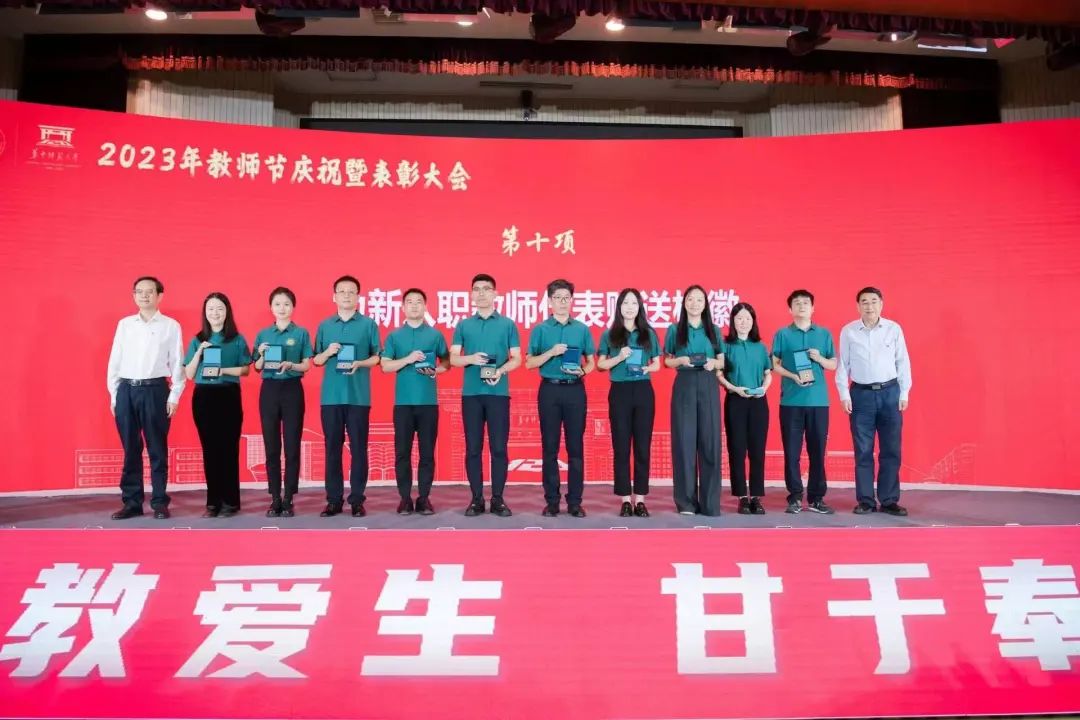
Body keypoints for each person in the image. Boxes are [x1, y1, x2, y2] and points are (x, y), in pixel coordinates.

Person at [106, 276, 186, 520]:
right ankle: (132, 502)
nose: (144, 296)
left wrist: (174, 395)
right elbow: (115, 360)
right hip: (126, 390)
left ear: (159, 296)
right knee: (130, 449)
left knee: (157, 449)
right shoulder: (125, 325)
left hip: (155, 390)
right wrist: (115, 395)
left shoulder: (170, 326)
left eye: (149, 291)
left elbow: (178, 363)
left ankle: (160, 502)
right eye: (139, 291)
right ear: (134, 295)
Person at [450, 273, 522, 517]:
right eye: (477, 289)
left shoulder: (507, 324)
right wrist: (470, 358)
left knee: (499, 448)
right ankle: (477, 499)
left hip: (498, 393)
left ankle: (498, 499)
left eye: (486, 289)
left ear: (495, 294)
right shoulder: (463, 325)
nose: (481, 293)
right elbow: (453, 358)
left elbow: (517, 358)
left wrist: (500, 371)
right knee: (473, 448)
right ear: (471, 294)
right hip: (471, 394)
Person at [836, 286, 912, 516]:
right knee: (863, 450)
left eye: (873, 301)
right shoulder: (849, 331)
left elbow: (903, 361)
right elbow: (843, 365)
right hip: (861, 395)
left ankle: (889, 500)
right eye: (864, 302)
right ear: (858, 306)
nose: (869, 306)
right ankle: (866, 500)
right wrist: (844, 394)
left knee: (891, 449)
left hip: (890, 393)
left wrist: (904, 392)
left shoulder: (893, 329)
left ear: (881, 304)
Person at [526, 279, 597, 518]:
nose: (562, 302)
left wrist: (583, 371)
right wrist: (551, 352)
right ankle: (552, 501)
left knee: (576, 447)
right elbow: (529, 362)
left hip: (575, 390)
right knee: (550, 447)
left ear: (572, 300)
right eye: (557, 298)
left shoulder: (582, 329)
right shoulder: (541, 330)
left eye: (566, 297)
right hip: (550, 390)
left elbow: (592, 361)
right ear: (550, 301)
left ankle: (575, 501)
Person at [312, 275, 381, 518]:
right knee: (332, 449)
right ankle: (333, 500)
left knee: (359, 449)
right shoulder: (325, 326)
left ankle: (357, 500)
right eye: (342, 291)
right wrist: (328, 352)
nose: (347, 295)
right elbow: (316, 360)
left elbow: (377, 357)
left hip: (358, 397)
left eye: (351, 292)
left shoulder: (368, 325)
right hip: (331, 398)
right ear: (334, 296)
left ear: (358, 297)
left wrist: (359, 363)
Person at [381, 288, 450, 516]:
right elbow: (385, 366)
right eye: (409, 302)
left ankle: (424, 498)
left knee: (427, 453)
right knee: (402, 452)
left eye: (419, 302)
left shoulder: (435, 335)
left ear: (425, 307)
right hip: (403, 404)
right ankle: (404, 498)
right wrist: (408, 359)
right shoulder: (394, 336)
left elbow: (447, 362)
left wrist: (436, 371)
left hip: (428, 403)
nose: (414, 306)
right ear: (403, 307)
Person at [183, 292, 252, 518]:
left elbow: (245, 369)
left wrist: (223, 370)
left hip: (228, 395)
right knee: (210, 450)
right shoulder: (198, 340)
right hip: (204, 397)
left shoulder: (237, 339)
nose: (215, 313)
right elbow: (189, 374)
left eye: (220, 308)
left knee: (229, 449)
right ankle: (213, 502)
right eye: (211, 309)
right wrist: (199, 352)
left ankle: (230, 501)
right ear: (205, 313)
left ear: (227, 312)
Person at [771, 289, 837, 515]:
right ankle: (795, 497)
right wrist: (792, 376)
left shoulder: (824, 334)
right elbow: (774, 364)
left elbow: (833, 364)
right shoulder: (782, 334)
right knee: (792, 452)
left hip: (818, 402)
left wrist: (819, 358)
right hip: (791, 402)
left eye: (806, 303)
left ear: (813, 308)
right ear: (790, 309)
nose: (801, 306)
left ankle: (817, 498)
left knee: (818, 451)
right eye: (797, 303)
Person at [597, 288, 661, 518]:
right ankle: (625, 499)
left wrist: (646, 368)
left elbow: (657, 364)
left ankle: (640, 499)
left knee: (643, 446)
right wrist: (619, 357)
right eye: (625, 303)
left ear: (639, 307)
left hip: (643, 390)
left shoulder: (648, 334)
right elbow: (601, 365)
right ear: (619, 307)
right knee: (621, 446)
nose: (630, 307)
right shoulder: (610, 334)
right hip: (620, 391)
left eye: (634, 303)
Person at [664, 285, 725, 516]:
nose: (695, 303)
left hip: (708, 384)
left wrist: (714, 363)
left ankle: (710, 503)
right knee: (684, 443)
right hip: (685, 384)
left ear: (705, 304)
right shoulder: (675, 329)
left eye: (699, 299)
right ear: (684, 303)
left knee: (710, 443)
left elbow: (721, 361)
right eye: (690, 299)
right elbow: (667, 361)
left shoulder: (713, 330)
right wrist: (680, 360)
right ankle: (686, 502)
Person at [252, 287, 313, 518]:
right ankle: (275, 498)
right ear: (271, 307)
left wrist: (291, 365)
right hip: (269, 390)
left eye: (286, 304)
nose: (282, 308)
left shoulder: (301, 333)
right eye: (277, 304)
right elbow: (256, 367)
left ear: (293, 307)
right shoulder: (263, 334)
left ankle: (288, 498)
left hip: (292, 389)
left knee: (292, 445)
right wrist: (261, 354)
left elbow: (307, 364)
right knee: (271, 446)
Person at [718, 302, 772, 515]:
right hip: (735, 400)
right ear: (733, 321)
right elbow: (719, 374)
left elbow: (768, 373)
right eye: (739, 318)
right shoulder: (726, 346)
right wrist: (734, 388)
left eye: (747, 319)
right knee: (737, 449)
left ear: (753, 322)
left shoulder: (760, 347)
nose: (743, 322)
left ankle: (756, 496)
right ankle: (741, 496)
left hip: (758, 401)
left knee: (757, 450)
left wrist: (764, 388)